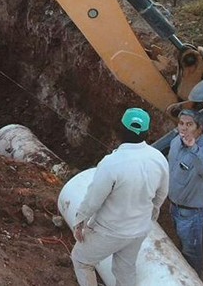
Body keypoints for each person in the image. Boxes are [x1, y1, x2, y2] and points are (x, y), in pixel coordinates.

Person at [71, 108, 169, 286]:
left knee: (81, 260)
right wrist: (150, 217)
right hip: (139, 230)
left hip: (110, 231)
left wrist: (80, 220)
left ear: (120, 130)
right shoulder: (159, 159)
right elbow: (161, 194)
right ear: (147, 133)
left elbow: (94, 199)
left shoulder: (112, 163)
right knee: (125, 271)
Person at [168, 109, 203, 278]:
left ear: (199, 128)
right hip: (175, 207)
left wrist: (194, 149)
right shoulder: (176, 141)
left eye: (189, 125)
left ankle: (194, 279)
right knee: (182, 245)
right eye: (181, 123)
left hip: (191, 215)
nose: (184, 128)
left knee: (192, 253)